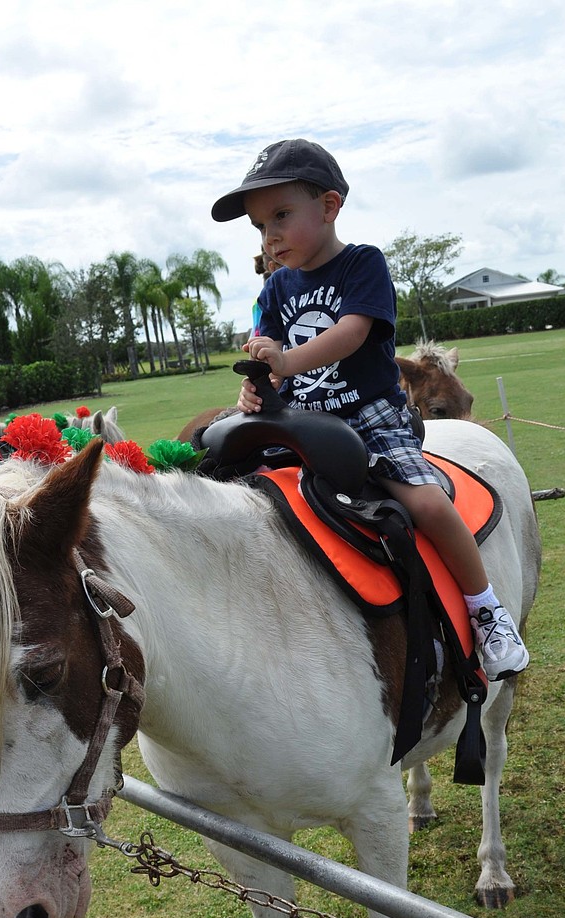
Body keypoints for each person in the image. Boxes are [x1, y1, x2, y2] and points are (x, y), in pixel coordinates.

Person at [211, 138, 529, 680]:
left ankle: (487, 610)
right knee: (221, 471)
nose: (271, 236)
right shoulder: (274, 288)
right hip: (300, 416)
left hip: (369, 415)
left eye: (282, 216)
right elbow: (266, 360)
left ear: (330, 206)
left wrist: (286, 362)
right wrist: (257, 389)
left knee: (424, 501)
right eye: (261, 226)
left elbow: (352, 333)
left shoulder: (363, 265)